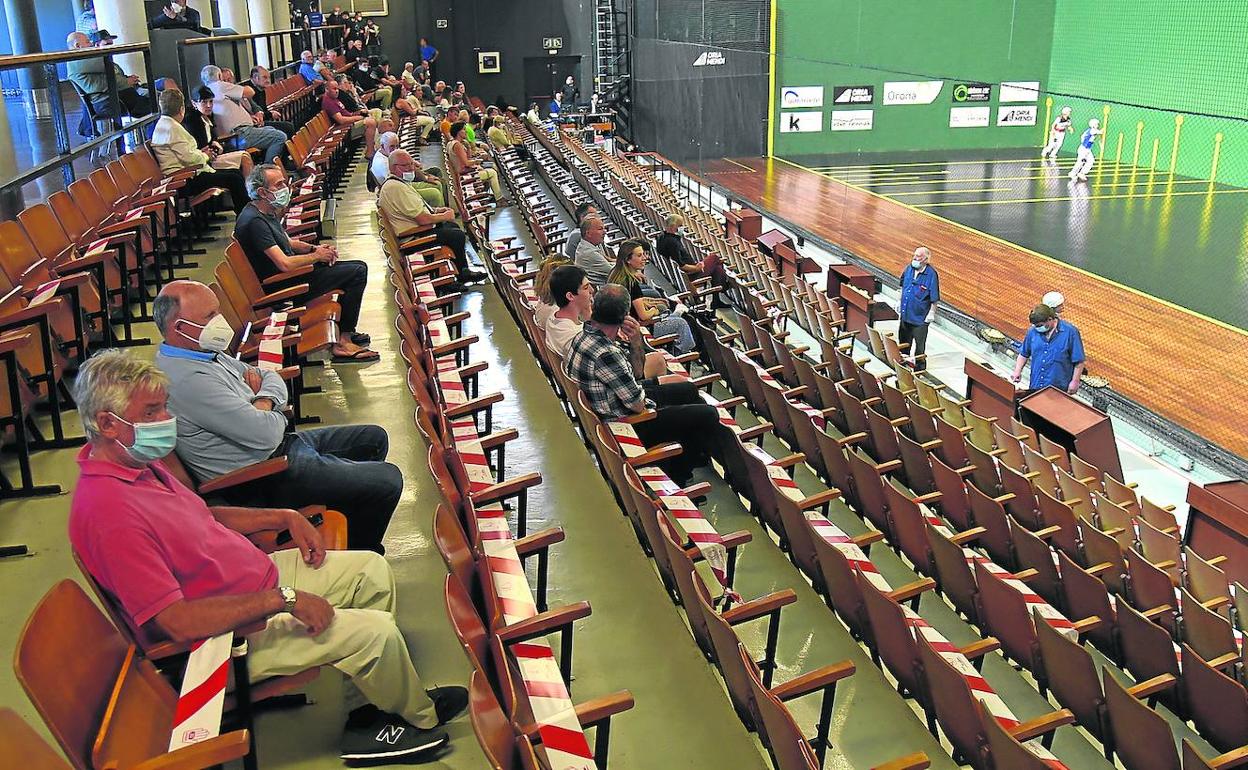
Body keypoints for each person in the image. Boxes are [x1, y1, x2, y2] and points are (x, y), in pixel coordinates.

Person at [68, 350, 465, 764]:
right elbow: (176, 621)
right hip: (222, 638)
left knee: (371, 570)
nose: (167, 419)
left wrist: (284, 516)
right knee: (376, 633)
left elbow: (200, 514)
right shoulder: (109, 513)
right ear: (108, 423)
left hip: (251, 581)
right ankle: (417, 720)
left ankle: (370, 710)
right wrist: (286, 599)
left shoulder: (135, 461)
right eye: (152, 411)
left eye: (164, 405)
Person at [152, 280, 401, 553]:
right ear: (179, 328)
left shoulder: (202, 352)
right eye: (209, 316)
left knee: (373, 439)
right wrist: (271, 407)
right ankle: (361, 555)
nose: (219, 321)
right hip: (261, 475)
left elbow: (267, 376)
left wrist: (264, 400)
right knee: (387, 481)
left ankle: (347, 516)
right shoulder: (187, 380)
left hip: (277, 447)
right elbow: (266, 432)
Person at [564, 286, 724, 484]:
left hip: (613, 403)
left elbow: (636, 375)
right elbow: (638, 404)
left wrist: (636, 341)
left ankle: (693, 454)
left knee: (688, 390)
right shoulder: (607, 353)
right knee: (709, 414)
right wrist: (657, 405)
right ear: (624, 316)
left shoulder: (581, 336)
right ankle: (681, 472)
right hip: (627, 422)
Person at [236, 164, 378, 362]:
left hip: (292, 274)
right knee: (356, 272)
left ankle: (345, 332)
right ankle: (343, 342)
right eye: (279, 185)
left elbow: (288, 242)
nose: (286, 187)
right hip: (283, 281)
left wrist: (315, 249)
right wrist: (316, 257)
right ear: (262, 192)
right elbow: (284, 263)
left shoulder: (264, 210)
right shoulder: (255, 222)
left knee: (354, 267)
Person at [378, 150, 487, 288]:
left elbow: (418, 207)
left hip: (417, 230)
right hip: (412, 237)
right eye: (406, 165)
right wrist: (444, 216)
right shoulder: (395, 187)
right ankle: (454, 278)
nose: (411, 168)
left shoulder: (400, 183)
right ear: (394, 167)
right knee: (456, 235)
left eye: (412, 164)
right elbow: (422, 219)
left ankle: (461, 271)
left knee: (452, 227)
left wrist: (437, 211)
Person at [547, 265, 667, 377]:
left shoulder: (553, 319)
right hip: (611, 381)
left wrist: (589, 311)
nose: (591, 291)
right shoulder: (578, 337)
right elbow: (632, 373)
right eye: (585, 287)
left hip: (592, 378)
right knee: (658, 360)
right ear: (570, 296)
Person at [150, 90, 250, 215]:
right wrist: (205, 155)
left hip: (187, 173)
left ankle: (244, 213)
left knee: (234, 174)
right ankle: (246, 215)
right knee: (233, 177)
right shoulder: (172, 128)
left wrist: (200, 153)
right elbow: (190, 158)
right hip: (185, 180)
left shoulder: (165, 124)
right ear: (181, 109)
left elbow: (185, 153)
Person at [608, 239, 696, 354]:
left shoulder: (616, 274)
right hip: (640, 329)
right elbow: (644, 316)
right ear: (628, 259)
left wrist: (651, 302)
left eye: (644, 254)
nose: (645, 258)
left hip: (624, 326)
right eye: (640, 255)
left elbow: (633, 302)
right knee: (682, 323)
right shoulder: (631, 283)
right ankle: (683, 354)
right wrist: (654, 310)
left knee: (674, 316)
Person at [202, 64, 288, 165]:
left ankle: (266, 165)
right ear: (220, 76)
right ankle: (269, 169)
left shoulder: (208, 90)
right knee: (280, 136)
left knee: (271, 130)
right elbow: (250, 92)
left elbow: (253, 105)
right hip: (238, 135)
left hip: (240, 133)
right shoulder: (219, 86)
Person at [65, 31, 150, 132]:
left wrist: (125, 80)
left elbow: (111, 74)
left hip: (112, 99)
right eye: (88, 42)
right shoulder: (79, 59)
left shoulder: (81, 61)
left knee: (155, 104)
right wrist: (126, 81)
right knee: (156, 107)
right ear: (77, 45)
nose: (91, 44)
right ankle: (153, 141)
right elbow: (109, 69)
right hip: (110, 102)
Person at [1011, 304, 1086, 394]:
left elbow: (1079, 361)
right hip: (1036, 386)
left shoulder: (1070, 332)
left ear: (1050, 319)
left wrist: (1075, 382)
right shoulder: (1032, 332)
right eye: (1036, 326)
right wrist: (1017, 371)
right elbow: (1024, 354)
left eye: (1040, 325)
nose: (1038, 328)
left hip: (1059, 389)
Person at [656, 213, 729, 300]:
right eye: (680, 225)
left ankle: (717, 298)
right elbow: (682, 266)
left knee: (717, 269)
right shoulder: (672, 243)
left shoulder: (661, 237)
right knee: (714, 258)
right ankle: (723, 287)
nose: (682, 228)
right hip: (690, 276)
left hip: (680, 276)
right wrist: (696, 268)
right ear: (672, 227)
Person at [184, 86, 253, 176]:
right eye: (204, 102)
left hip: (215, 154)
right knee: (244, 158)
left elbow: (214, 140)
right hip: (204, 162)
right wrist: (216, 147)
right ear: (194, 103)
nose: (209, 105)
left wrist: (216, 146)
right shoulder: (191, 120)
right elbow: (201, 146)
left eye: (211, 101)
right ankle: (251, 188)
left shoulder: (207, 116)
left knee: (245, 155)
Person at [897, 246, 939, 370]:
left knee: (919, 350)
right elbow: (901, 286)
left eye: (918, 257)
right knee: (903, 346)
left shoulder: (931, 275)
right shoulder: (909, 269)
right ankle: (903, 369)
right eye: (914, 255)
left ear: (926, 260)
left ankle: (919, 372)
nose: (915, 258)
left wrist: (931, 313)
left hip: (920, 320)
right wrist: (899, 300)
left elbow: (934, 298)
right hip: (905, 316)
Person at [372, 135, 443, 206]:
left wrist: (414, 164)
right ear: (382, 146)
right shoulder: (383, 163)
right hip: (399, 190)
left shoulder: (384, 152)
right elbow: (401, 179)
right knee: (435, 190)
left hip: (403, 183)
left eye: (397, 146)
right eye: (392, 147)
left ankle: (443, 209)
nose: (395, 149)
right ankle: (440, 212)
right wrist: (425, 177)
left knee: (436, 176)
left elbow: (408, 165)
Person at [447, 121, 504, 202]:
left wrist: (468, 148)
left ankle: (487, 196)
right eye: (464, 129)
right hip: (464, 174)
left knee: (487, 169)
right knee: (492, 172)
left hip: (464, 171)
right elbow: (467, 162)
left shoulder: (451, 143)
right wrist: (478, 161)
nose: (466, 131)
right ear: (458, 132)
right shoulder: (457, 145)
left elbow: (467, 158)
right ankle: (499, 199)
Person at [322, 77, 378, 157]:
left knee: (371, 115)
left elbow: (347, 113)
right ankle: (370, 152)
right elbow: (341, 120)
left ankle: (376, 144)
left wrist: (358, 114)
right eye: (334, 89)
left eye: (337, 88)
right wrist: (358, 118)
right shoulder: (328, 101)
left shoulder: (334, 98)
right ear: (327, 90)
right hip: (343, 127)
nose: (337, 91)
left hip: (349, 121)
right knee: (370, 122)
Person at [247, 66, 297, 137]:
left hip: (263, 120)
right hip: (255, 125)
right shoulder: (249, 92)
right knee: (288, 127)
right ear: (255, 78)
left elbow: (263, 110)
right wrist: (270, 114)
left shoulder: (261, 89)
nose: (268, 80)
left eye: (269, 77)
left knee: (288, 126)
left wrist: (270, 113)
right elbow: (257, 114)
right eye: (264, 77)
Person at [574, 216, 613, 286]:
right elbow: (615, 273)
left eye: (604, 228)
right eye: (600, 229)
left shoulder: (588, 245)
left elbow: (609, 261)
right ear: (588, 233)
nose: (605, 232)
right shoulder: (589, 253)